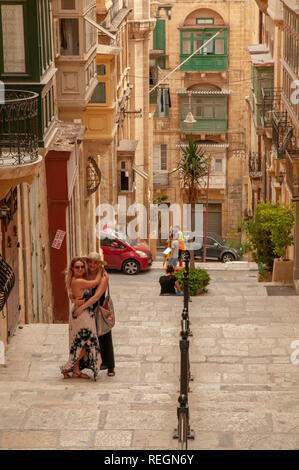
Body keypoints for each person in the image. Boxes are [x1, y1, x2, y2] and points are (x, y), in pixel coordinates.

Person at [60, 257, 106, 380]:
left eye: (82, 266)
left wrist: (73, 299)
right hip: (82, 314)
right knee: (85, 343)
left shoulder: (77, 280)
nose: (80, 269)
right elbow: (96, 282)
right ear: (72, 269)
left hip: (80, 312)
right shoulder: (78, 281)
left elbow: (72, 295)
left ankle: (76, 371)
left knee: (78, 343)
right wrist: (101, 269)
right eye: (77, 267)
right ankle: (67, 367)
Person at [75, 251, 115, 377]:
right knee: (85, 337)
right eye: (90, 262)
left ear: (99, 264)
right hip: (86, 310)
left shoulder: (103, 277)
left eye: (95, 262)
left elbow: (96, 296)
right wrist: (74, 300)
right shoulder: (85, 274)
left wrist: (82, 307)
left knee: (104, 336)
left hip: (98, 309)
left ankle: (110, 366)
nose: (92, 264)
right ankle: (83, 364)